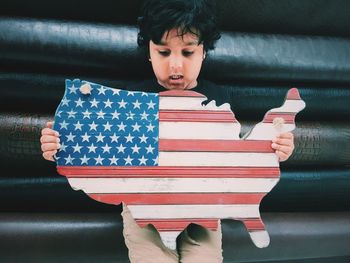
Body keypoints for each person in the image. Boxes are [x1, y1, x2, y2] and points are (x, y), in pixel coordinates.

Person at [40, 0, 295, 262]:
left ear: (203, 51)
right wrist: (60, 147)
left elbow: (237, 153)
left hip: (203, 206)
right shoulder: (134, 99)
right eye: (163, 52)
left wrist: (274, 150)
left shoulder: (218, 98)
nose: (175, 66)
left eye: (187, 53)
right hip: (145, 207)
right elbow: (99, 146)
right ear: (149, 52)